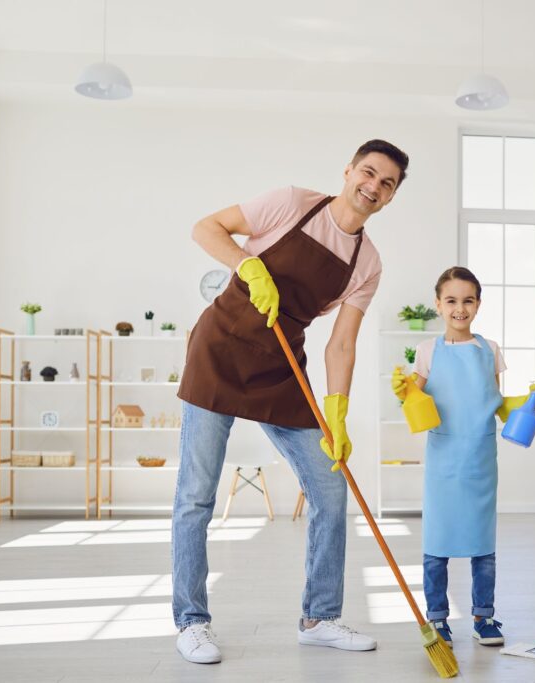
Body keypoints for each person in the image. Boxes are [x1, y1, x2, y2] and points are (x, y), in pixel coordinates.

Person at [172, 139, 409, 664]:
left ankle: (320, 617)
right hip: (218, 351)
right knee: (196, 496)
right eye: (368, 173)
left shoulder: (366, 264)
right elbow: (205, 227)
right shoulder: (293, 202)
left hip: (280, 365)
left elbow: (342, 343)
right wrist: (247, 265)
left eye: (386, 183)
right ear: (348, 170)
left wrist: (338, 413)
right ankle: (191, 621)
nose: (372, 187)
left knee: (330, 490)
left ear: (391, 197)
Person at [390, 267, 535, 648]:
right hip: (443, 462)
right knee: (438, 542)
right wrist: (404, 389)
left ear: (478, 304)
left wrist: (534, 401)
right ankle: (438, 619)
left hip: (480, 458)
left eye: (468, 300)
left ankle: (484, 617)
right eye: (451, 301)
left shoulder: (490, 350)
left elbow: (496, 404)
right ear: (438, 304)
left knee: (483, 543)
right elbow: (415, 402)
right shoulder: (428, 350)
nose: (460, 308)